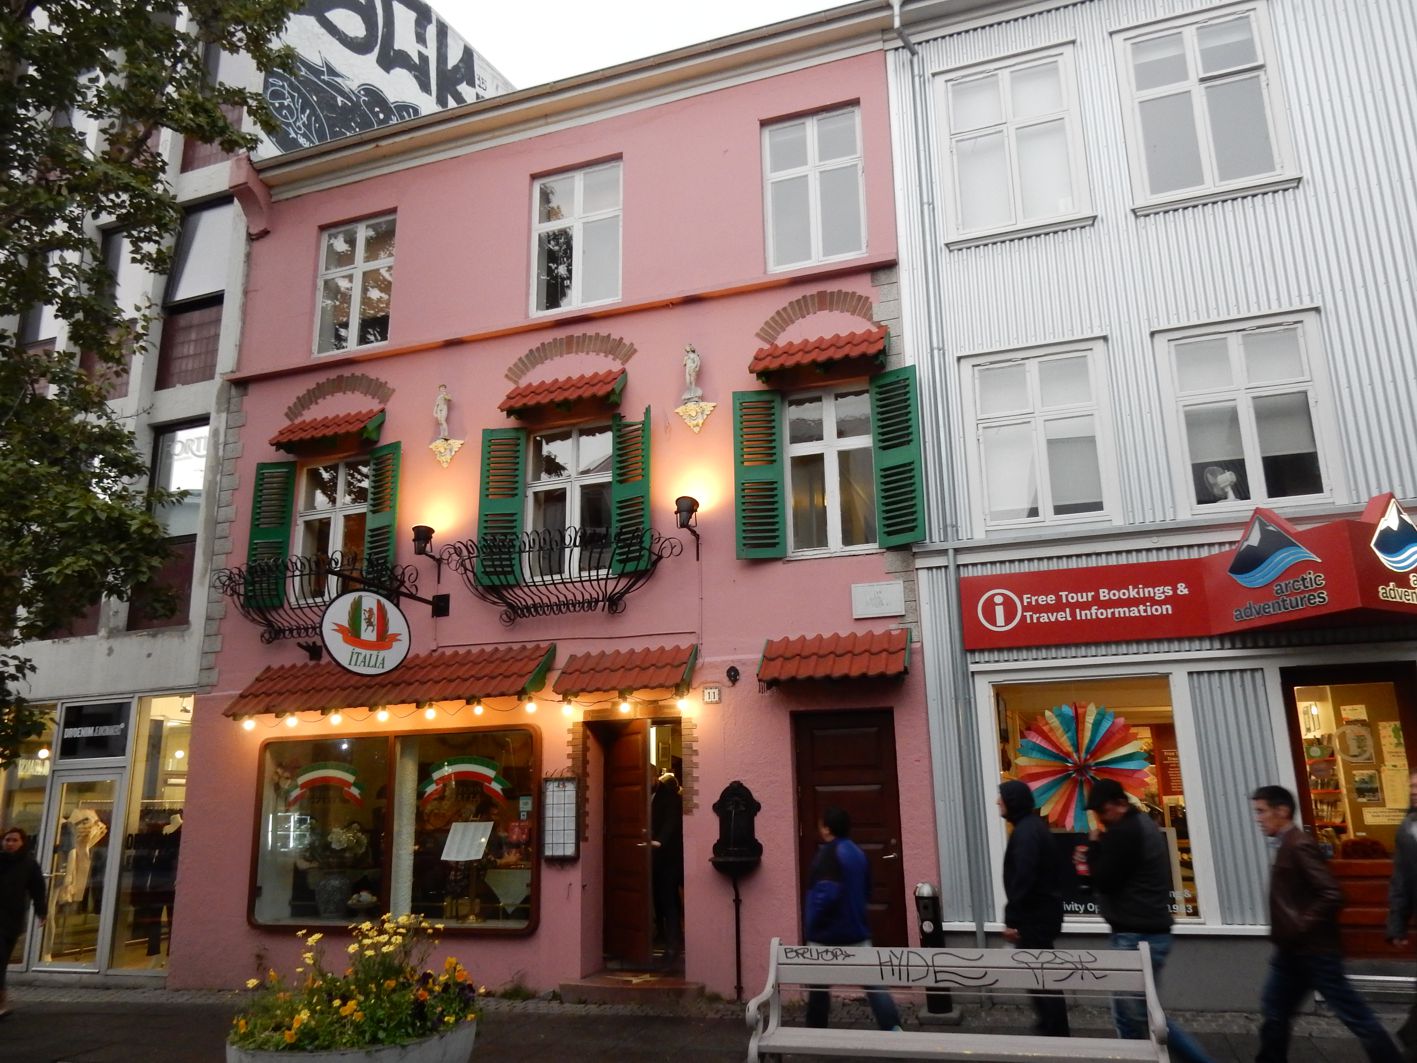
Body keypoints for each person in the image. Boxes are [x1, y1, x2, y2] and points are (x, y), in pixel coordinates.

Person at [1252, 784, 1402, 1062]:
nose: (1258, 819)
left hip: (1315, 953)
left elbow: (1332, 893)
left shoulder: (1299, 845)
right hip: (1293, 951)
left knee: (1354, 1015)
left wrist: (1299, 925)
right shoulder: (1287, 843)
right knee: (1274, 1011)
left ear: (1282, 811)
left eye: (1261, 811)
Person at [1082, 778, 1212, 1062]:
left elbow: (1105, 880)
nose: (1099, 818)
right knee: (1128, 1013)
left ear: (1119, 804)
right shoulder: (1141, 825)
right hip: (1143, 931)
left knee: (1144, 1016)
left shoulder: (1125, 833)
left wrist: (1093, 848)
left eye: (1102, 811)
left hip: (1136, 935)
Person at [802, 807, 901, 1032]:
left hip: (826, 934)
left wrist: (812, 924)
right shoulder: (858, 854)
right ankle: (893, 1027)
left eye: (821, 824)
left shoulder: (827, 854)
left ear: (827, 829)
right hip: (857, 930)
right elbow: (867, 891)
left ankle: (815, 1032)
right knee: (875, 985)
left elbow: (825, 894)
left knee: (818, 988)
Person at [998, 780, 1069, 1036]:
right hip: (1041, 914)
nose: (998, 802)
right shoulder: (1031, 828)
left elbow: (1024, 877)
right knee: (1040, 972)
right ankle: (1051, 1027)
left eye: (1002, 797)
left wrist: (1012, 919)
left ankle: (1054, 1031)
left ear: (1013, 802)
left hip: (1035, 916)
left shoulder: (1026, 833)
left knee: (1041, 974)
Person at [1386, 771, 1417, 1057]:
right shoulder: (1407, 828)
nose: (1414, 791)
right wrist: (1397, 923)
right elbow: (1401, 880)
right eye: (1412, 786)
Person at [0, 826, 47, 1018]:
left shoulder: (28, 864)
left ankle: (2, 1002)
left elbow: (37, 889)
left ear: (22, 843)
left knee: (1, 960)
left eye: (14, 840)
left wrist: (41, 912)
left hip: (11, 918)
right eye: (7, 840)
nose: (10, 844)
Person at [650, 772, 684, 963]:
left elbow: (671, 822)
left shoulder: (670, 797)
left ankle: (673, 944)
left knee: (669, 901)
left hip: (669, 858)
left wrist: (660, 841)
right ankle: (662, 936)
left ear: (655, 777)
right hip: (653, 859)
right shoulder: (644, 796)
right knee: (658, 899)